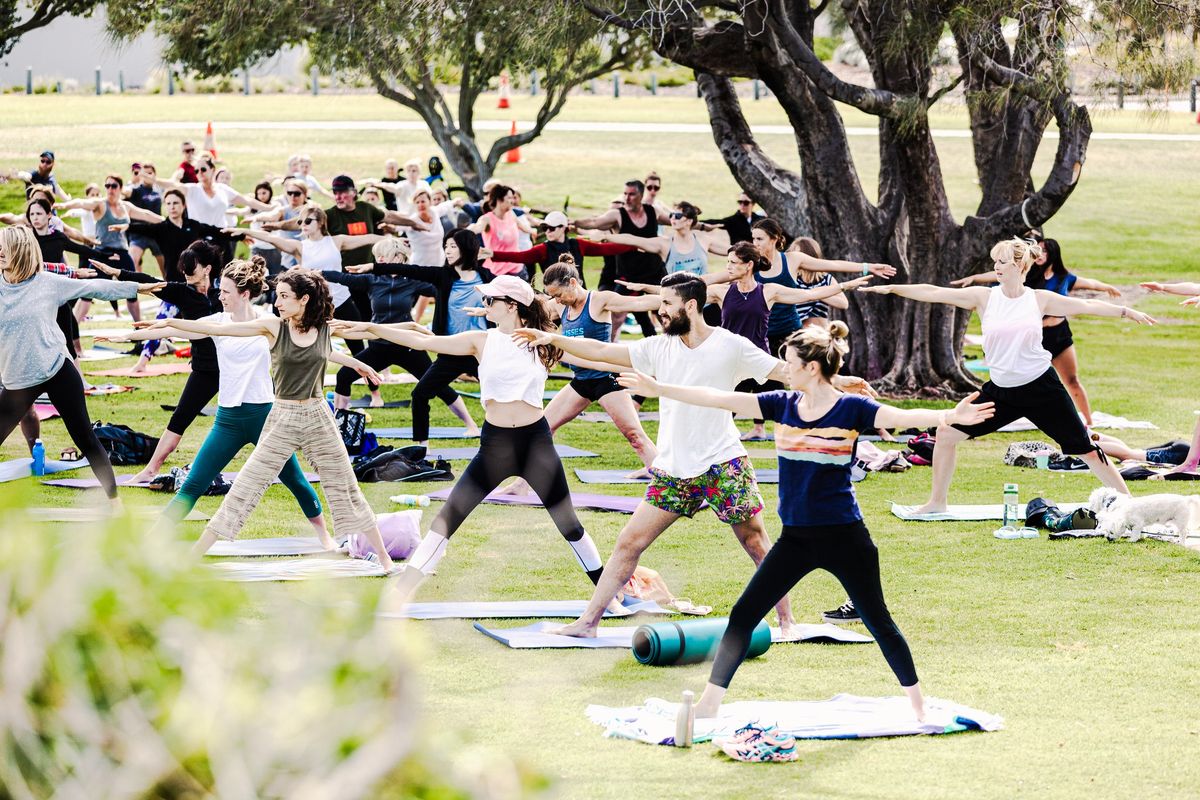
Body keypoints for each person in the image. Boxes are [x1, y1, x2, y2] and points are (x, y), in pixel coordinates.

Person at [616, 323, 996, 724]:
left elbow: (902, 414)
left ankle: (918, 704)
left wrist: (950, 414)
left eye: (791, 362)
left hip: (846, 538)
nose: (785, 368)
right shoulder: (782, 404)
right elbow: (715, 397)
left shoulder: (852, 409)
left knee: (878, 621)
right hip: (795, 540)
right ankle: (710, 702)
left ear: (812, 368)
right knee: (743, 616)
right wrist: (661, 388)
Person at [513, 272, 808, 639]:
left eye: (667, 304)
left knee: (756, 542)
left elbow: (782, 371)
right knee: (629, 543)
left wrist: (837, 382)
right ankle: (587, 624)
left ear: (691, 306)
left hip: (724, 462)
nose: (661, 311)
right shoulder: (658, 347)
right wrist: (553, 338)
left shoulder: (731, 346)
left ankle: (787, 622)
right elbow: (604, 351)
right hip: (674, 470)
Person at [334, 275, 611, 603]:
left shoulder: (543, 340)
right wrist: (370, 328)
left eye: (490, 300)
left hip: (534, 444)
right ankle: (399, 594)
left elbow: (594, 354)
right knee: (447, 518)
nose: (484, 305)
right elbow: (424, 343)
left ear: (511, 305)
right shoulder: (481, 340)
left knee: (569, 525)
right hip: (494, 445)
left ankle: (611, 594)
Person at [860, 237, 1152, 515]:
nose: (996, 267)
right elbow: (935, 293)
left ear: (1020, 266)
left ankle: (1128, 504)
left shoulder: (1039, 300)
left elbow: (1087, 306)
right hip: (1001, 392)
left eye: (1001, 262)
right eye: (995, 262)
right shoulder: (984, 297)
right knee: (947, 434)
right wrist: (894, 289)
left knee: (1085, 450)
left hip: (1042, 389)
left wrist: (1125, 311)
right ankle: (937, 502)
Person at [141, 267, 394, 566]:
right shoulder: (270, 325)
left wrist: (366, 360)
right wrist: (164, 324)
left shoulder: (316, 327)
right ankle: (183, 552)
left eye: (285, 296)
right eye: (277, 296)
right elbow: (212, 330)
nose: (278, 302)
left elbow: (354, 336)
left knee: (335, 484)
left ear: (304, 300)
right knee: (236, 486)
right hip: (262, 417)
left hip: (296, 415)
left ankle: (381, 558)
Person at [98, 257, 330, 539]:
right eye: (220, 291)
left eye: (226, 292)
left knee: (293, 478)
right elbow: (176, 329)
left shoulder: (268, 322)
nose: (219, 297)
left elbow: (305, 335)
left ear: (244, 294)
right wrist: (127, 337)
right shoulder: (216, 321)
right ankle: (153, 540)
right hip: (228, 420)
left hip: (265, 417)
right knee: (194, 483)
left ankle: (324, 535)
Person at [0, 226, 161, 507]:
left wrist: (137, 286)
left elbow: (95, 287)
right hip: (17, 379)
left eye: (5, 247)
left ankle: (114, 502)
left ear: (21, 251)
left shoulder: (46, 283)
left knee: (85, 437)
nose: (0, 252)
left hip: (56, 370)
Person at [495, 256, 662, 494]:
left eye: (559, 294)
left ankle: (665, 479)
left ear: (573, 283)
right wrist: (491, 308)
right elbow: (527, 312)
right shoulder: (560, 306)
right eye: (552, 296)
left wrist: (671, 298)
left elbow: (638, 304)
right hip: (581, 381)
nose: (556, 300)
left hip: (606, 381)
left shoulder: (600, 300)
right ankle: (522, 484)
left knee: (634, 435)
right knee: (541, 428)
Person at [90, 241, 226, 480]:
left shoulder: (224, 294)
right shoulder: (182, 292)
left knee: (251, 418)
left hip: (233, 367)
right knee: (180, 418)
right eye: (183, 268)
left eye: (190, 268)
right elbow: (148, 282)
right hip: (205, 369)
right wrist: (118, 273)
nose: (185, 273)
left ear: (207, 269)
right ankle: (151, 469)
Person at [951, 238, 1119, 426]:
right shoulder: (1029, 276)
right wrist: (975, 278)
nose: (1040, 253)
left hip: (1060, 336)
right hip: (1033, 337)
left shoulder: (1065, 277)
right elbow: (999, 272)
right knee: (1036, 382)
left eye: (1045, 251)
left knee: (1071, 380)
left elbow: (1090, 286)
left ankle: (1087, 422)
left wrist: (1107, 287)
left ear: (1053, 255)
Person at [345, 229, 485, 444]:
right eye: (445, 246)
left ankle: (498, 430)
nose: (447, 250)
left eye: (453, 246)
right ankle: (421, 448)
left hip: (480, 349)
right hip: (450, 348)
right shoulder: (443, 276)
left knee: (498, 393)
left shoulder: (486, 279)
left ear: (466, 249)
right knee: (421, 393)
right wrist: (374, 267)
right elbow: (411, 269)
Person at [325, 239, 472, 424]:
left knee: (440, 386)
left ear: (398, 257)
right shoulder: (372, 280)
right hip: (378, 347)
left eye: (382, 255)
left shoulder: (412, 282)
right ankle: (339, 425)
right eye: (376, 255)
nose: (377, 258)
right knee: (344, 376)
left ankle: (471, 425)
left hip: (407, 346)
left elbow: (443, 290)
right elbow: (343, 278)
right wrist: (318, 273)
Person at [56, 175, 165, 323]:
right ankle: (71, 333)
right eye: (107, 186)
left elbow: (146, 214)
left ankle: (139, 329)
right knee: (87, 293)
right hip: (102, 253)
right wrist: (65, 205)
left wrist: (167, 222)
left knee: (132, 292)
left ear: (120, 188)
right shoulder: (100, 204)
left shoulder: (125, 206)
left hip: (122, 253)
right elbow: (82, 202)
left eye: (113, 186)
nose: (110, 189)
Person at [572, 179, 672, 339]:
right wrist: (574, 222)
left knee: (665, 312)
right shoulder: (618, 214)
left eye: (631, 194)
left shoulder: (653, 211)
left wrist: (699, 224)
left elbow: (677, 221)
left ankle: (672, 348)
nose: (627, 198)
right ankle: (606, 348)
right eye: (625, 194)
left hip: (655, 272)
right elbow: (594, 222)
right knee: (615, 313)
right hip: (628, 277)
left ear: (641, 195)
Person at [481, 211, 636, 288]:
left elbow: (605, 249)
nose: (547, 231)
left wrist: (636, 245)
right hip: (554, 297)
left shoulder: (578, 245)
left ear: (563, 228)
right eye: (545, 227)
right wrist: (493, 254)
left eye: (552, 228)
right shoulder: (543, 249)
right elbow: (520, 256)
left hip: (578, 293)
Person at [588, 201, 728, 278]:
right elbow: (632, 239)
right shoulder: (664, 244)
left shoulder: (703, 239)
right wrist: (606, 237)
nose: (672, 218)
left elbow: (732, 251)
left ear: (689, 221)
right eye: (672, 215)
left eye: (678, 216)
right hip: (679, 306)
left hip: (706, 304)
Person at [468, 184, 539, 279]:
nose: (513, 201)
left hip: (518, 270)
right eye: (509, 198)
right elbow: (477, 228)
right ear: (499, 199)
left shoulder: (511, 214)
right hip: (498, 274)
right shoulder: (487, 219)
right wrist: (469, 229)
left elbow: (523, 227)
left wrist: (533, 231)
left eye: (513, 198)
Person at [126, 163, 165, 275]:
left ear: (154, 174)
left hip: (157, 233)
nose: (147, 176)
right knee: (131, 264)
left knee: (166, 269)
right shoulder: (135, 190)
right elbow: (125, 191)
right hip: (139, 233)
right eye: (145, 173)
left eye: (150, 173)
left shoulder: (158, 190)